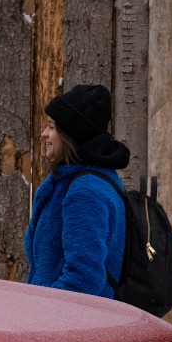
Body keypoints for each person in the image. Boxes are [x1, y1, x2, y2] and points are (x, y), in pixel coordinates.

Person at [24, 83, 132, 299]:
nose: (44, 134)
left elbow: (83, 279)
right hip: (59, 321)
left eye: (52, 127)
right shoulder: (75, 181)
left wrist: (38, 311)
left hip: (71, 325)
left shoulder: (86, 192)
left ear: (71, 135)